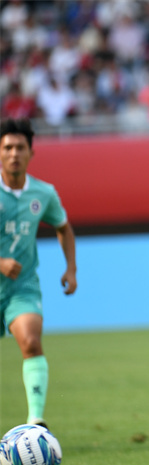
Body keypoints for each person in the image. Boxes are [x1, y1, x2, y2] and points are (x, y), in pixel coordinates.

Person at [0, 118, 77, 429]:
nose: (14, 154)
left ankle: (35, 422)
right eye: (8, 147)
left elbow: (63, 227)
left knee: (31, 342)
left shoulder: (43, 193)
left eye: (20, 147)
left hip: (22, 287)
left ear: (31, 153)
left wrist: (71, 268)